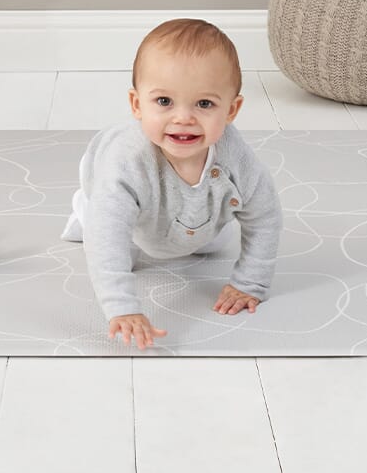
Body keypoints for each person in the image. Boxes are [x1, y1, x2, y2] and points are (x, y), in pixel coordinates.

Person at [60, 18, 283, 349]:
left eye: (204, 104)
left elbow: (265, 216)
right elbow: (107, 239)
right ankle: (84, 209)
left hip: (194, 215)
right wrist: (122, 308)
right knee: (114, 237)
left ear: (231, 110)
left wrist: (250, 283)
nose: (183, 118)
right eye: (164, 101)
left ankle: (188, 230)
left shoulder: (237, 161)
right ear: (137, 104)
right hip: (125, 200)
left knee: (211, 244)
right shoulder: (125, 164)